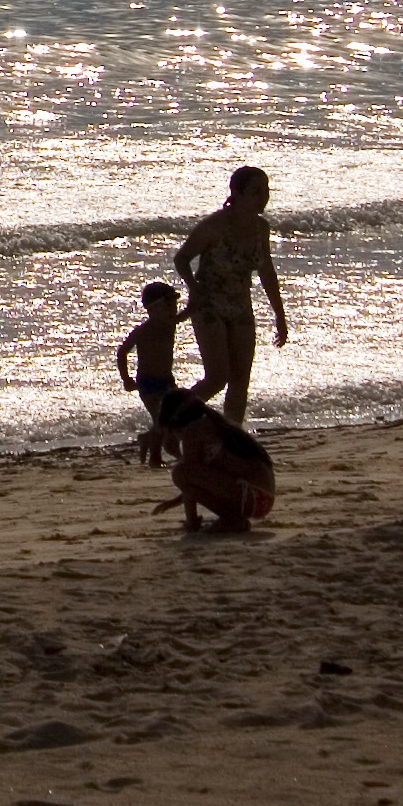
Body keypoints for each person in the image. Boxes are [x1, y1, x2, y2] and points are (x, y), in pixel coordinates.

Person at [173, 167, 288, 424]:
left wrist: (279, 315)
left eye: (266, 191)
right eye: (255, 192)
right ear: (236, 193)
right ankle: (171, 420)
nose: (263, 198)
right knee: (217, 377)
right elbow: (182, 258)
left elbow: (266, 271)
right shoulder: (214, 226)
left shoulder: (261, 228)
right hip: (209, 305)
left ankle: (233, 435)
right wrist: (193, 285)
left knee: (240, 380)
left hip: (241, 304)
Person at [154, 393, 277, 534]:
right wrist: (175, 502)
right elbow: (197, 484)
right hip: (261, 499)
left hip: (250, 496)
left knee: (180, 472)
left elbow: (188, 476)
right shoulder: (212, 423)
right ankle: (231, 518)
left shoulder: (193, 431)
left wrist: (191, 521)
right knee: (184, 473)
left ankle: (231, 519)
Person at [116, 279, 187, 438]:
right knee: (162, 421)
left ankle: (149, 441)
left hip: (167, 380)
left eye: (175, 305)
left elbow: (189, 311)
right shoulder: (142, 331)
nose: (173, 309)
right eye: (168, 305)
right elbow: (122, 353)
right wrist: (126, 379)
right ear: (152, 309)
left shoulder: (170, 324)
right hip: (147, 382)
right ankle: (151, 447)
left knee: (172, 420)